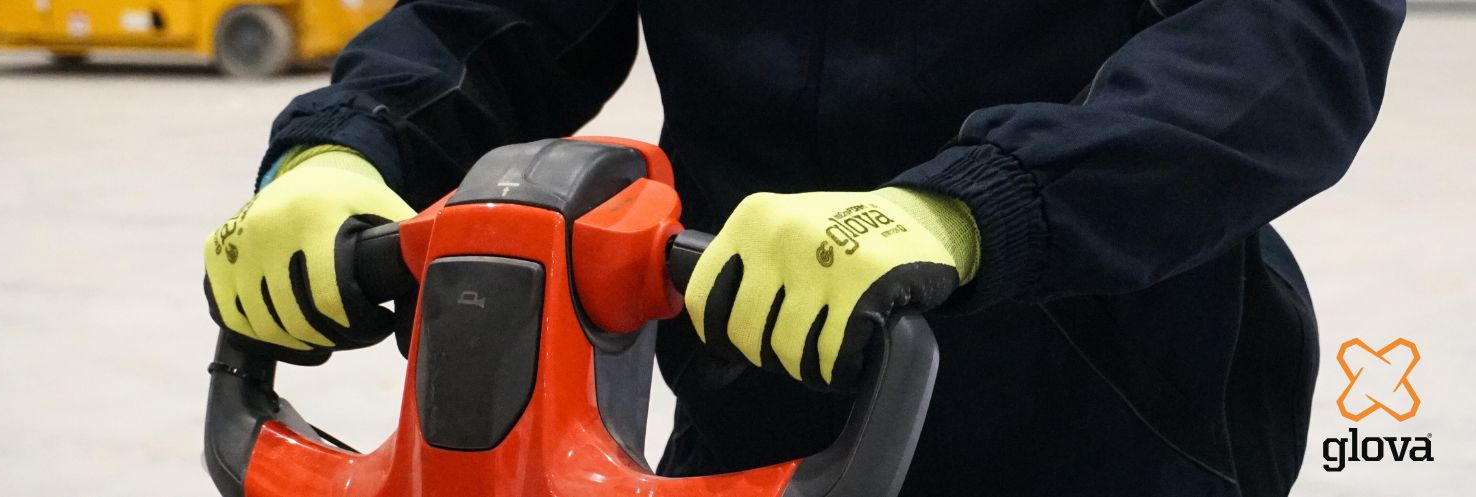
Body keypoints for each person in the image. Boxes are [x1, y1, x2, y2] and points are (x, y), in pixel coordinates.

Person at [202, 1, 1405, 495]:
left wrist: (972, 206)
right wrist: (341, 147)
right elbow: (493, 19)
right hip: (765, 402)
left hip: (1117, 414)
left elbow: (1288, 43)